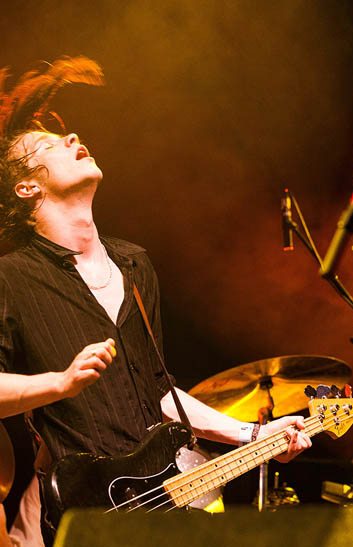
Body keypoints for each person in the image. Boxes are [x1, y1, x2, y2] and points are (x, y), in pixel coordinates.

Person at [0, 58, 311, 546]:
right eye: (48, 144)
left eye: (64, 135)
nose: (71, 137)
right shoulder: (11, 278)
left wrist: (255, 436)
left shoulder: (134, 263)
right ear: (27, 187)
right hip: (88, 510)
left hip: (166, 501)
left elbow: (158, 393)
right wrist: (57, 384)